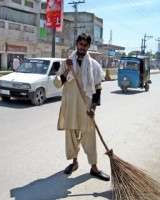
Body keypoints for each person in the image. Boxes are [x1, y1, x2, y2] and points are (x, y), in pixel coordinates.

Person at [54, 33, 110, 181]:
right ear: (76, 44)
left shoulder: (95, 66)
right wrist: (67, 69)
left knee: (90, 137)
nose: (82, 47)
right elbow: (57, 83)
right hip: (70, 107)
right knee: (71, 136)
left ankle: (94, 167)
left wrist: (93, 107)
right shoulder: (66, 63)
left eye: (85, 45)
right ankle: (74, 162)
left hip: (86, 108)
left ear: (88, 47)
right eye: (80, 44)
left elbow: (97, 88)